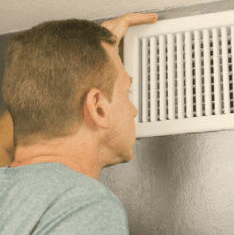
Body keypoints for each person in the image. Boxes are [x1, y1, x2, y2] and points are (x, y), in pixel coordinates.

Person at [0, 12, 158, 234]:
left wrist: (93, 64)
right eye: (126, 92)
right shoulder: (88, 205)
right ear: (98, 108)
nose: (134, 110)